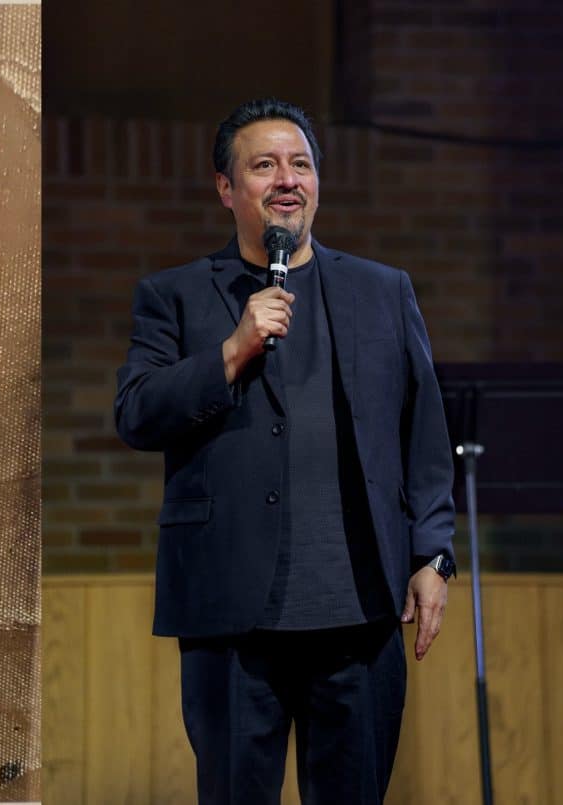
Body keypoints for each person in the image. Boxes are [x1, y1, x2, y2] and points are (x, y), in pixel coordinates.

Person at [114, 98, 456, 804]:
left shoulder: (382, 291)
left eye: (300, 164)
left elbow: (422, 432)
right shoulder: (173, 296)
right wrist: (232, 350)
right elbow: (136, 413)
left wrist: (432, 552)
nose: (286, 179)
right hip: (233, 615)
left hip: (359, 610)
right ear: (226, 188)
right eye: (263, 165)